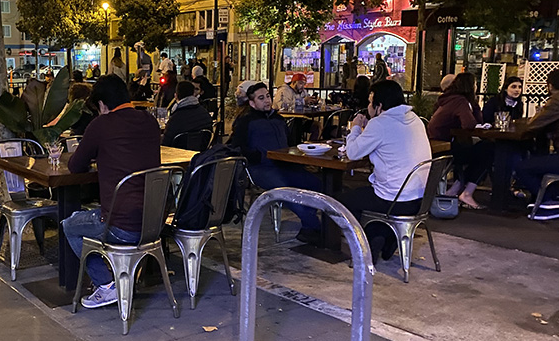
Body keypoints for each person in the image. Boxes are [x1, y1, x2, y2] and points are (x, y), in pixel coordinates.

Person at [62, 75, 161, 308]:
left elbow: (75, 166)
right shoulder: (150, 121)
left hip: (120, 226)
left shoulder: (101, 125)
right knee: (89, 216)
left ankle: (106, 285)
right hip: (154, 222)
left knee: (70, 225)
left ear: (102, 104)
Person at [339, 80, 432, 263]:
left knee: (340, 201)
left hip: (393, 200)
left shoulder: (380, 124)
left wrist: (355, 127)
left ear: (379, 106)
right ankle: (385, 237)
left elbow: (353, 152)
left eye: (370, 102)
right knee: (366, 196)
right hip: (420, 199)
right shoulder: (415, 119)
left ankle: (369, 242)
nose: (368, 106)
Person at [229, 82, 323, 242]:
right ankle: (317, 226)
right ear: (252, 103)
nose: (267, 100)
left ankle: (310, 227)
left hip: (284, 164)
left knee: (316, 184)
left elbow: (290, 143)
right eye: (261, 98)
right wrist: (258, 156)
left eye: (267, 96)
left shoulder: (278, 119)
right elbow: (236, 146)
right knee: (287, 189)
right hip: (260, 168)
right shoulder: (245, 121)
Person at [427, 72, 489, 209]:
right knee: (488, 150)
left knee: (483, 149)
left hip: (442, 143)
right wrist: (473, 104)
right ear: (470, 86)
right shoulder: (459, 101)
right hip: (445, 147)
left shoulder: (450, 99)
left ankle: (456, 189)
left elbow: (477, 121)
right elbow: (469, 124)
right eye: (475, 84)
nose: (476, 87)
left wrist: (474, 103)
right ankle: (466, 192)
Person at [514, 69, 559, 217]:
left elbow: (533, 124)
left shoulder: (556, 100)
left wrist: (540, 113)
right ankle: (549, 197)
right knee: (539, 161)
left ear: (550, 85)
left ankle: (549, 201)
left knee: (522, 167)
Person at [162, 81, 213, 146]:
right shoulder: (204, 113)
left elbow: (165, 143)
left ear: (176, 96)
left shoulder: (176, 119)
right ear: (193, 94)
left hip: (178, 151)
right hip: (202, 150)